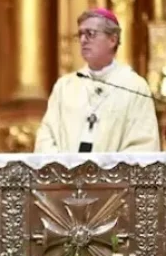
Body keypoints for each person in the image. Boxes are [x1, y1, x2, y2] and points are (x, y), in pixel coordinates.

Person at [34, 8, 160, 153]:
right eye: (80, 34)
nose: (82, 40)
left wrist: (107, 172)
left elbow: (143, 145)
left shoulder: (134, 86)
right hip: (66, 174)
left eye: (90, 34)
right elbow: (46, 137)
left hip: (113, 175)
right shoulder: (65, 86)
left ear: (112, 40)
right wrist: (64, 169)